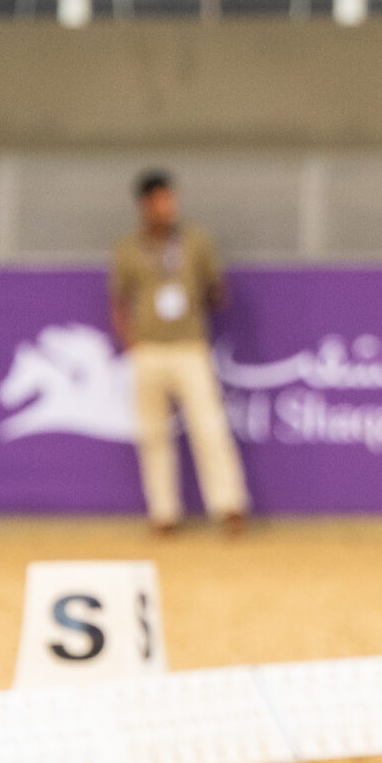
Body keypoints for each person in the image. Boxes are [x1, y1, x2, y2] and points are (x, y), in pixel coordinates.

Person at [110, 169, 249, 535]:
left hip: (190, 346)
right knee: (153, 435)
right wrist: (131, 343)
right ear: (144, 205)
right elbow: (119, 300)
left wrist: (212, 293)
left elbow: (216, 289)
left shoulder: (195, 242)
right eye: (160, 200)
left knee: (210, 427)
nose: (168, 207)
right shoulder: (127, 249)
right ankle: (164, 512)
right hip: (149, 349)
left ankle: (228, 505)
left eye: (171, 199)